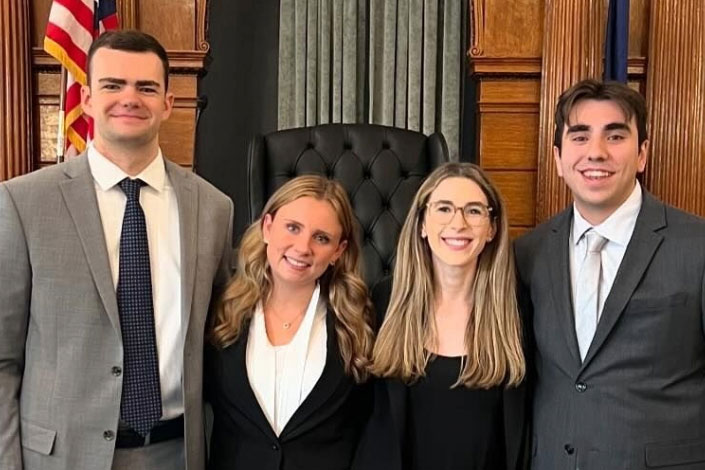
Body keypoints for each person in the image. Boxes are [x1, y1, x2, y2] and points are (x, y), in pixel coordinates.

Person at [0, 30, 233, 470]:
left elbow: (220, 342)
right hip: (60, 457)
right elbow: (2, 359)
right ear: (87, 98)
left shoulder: (214, 208)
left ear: (167, 102)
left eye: (146, 87)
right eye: (113, 85)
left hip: (178, 453)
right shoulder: (23, 203)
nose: (130, 98)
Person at [514, 79, 705, 469]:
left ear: (642, 154)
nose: (596, 153)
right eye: (580, 137)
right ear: (558, 157)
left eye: (615, 136)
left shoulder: (697, 245)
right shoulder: (528, 253)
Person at [354, 162, 527, 470]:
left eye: (474, 211)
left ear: (492, 228)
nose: (458, 223)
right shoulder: (383, 301)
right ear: (421, 223)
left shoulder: (518, 310)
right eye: (444, 209)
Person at [206, 175, 375, 470]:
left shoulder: (359, 323)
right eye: (293, 228)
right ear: (267, 227)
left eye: (321, 238)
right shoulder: (219, 310)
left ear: (338, 251)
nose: (303, 247)